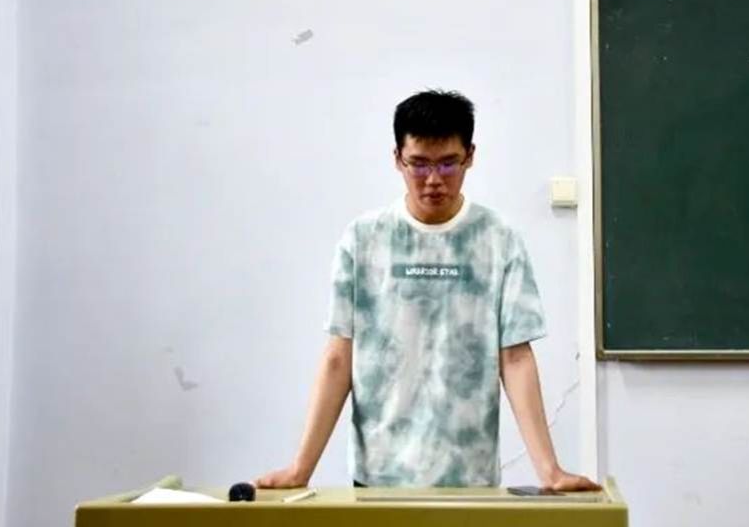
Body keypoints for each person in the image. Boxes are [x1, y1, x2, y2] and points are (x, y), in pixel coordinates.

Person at [255, 90, 598, 491]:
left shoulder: (498, 240)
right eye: (418, 164)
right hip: (379, 474)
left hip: (468, 476)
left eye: (448, 163)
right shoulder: (364, 239)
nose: (434, 180)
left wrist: (550, 471)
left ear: (470, 156)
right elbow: (338, 357)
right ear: (397, 158)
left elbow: (516, 357)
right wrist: (300, 469)